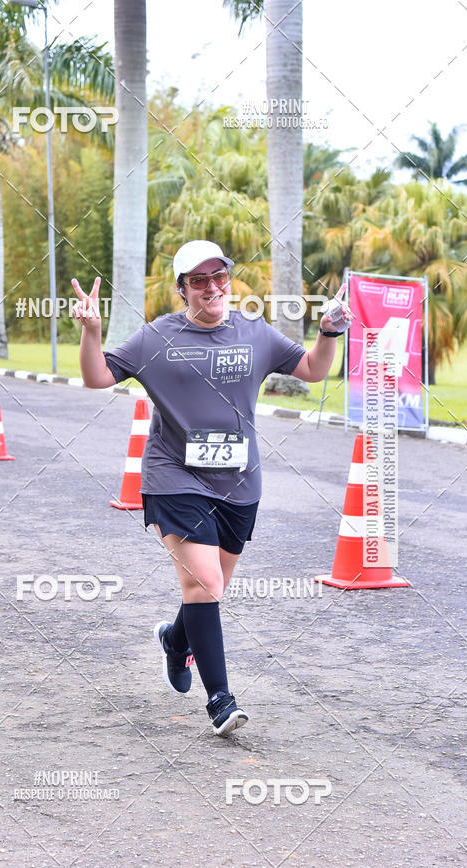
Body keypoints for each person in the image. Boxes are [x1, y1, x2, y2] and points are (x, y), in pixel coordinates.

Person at [71, 240, 351, 736]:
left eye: (218, 277)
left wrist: (328, 332)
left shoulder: (254, 332)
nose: (211, 287)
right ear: (182, 290)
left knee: (210, 587)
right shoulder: (157, 338)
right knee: (202, 584)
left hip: (240, 482)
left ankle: (175, 643)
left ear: (229, 280)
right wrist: (91, 332)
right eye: (197, 281)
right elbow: (97, 377)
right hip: (173, 475)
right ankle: (220, 700)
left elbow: (312, 369)